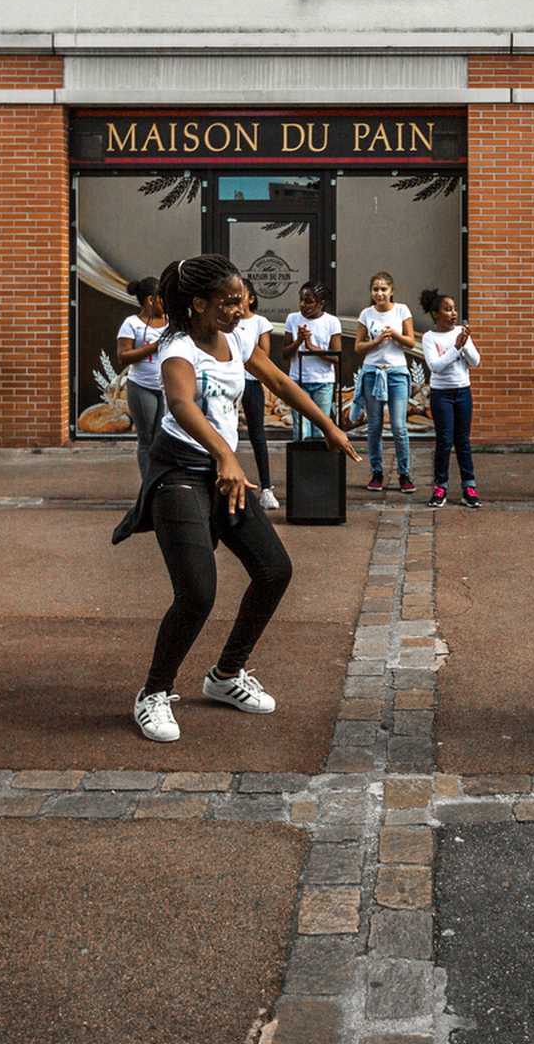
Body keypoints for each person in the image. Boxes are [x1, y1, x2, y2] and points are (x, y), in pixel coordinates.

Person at [113, 254, 359, 744]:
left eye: (241, 300)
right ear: (198, 304)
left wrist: (328, 425)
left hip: (224, 472)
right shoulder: (177, 348)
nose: (239, 309)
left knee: (274, 571)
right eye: (228, 302)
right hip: (180, 472)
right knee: (197, 593)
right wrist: (226, 455)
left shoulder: (238, 336)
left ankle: (226, 674)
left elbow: (279, 381)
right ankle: (154, 692)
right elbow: (181, 404)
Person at [354, 271, 416, 493]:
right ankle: (377, 472)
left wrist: (395, 335)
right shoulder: (366, 314)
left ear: (391, 291)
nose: (379, 293)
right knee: (374, 427)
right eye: (375, 289)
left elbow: (411, 342)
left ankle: (404, 474)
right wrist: (377, 340)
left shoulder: (401, 310)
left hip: (396, 373)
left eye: (383, 289)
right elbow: (358, 347)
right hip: (372, 372)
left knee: (399, 427)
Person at [419, 288, 481, 509]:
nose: (453, 313)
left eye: (454, 309)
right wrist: (456, 347)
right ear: (436, 314)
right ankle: (441, 486)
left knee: (463, 441)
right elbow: (435, 366)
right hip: (441, 394)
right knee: (445, 441)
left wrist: (465, 344)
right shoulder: (429, 337)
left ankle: (469, 486)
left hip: (463, 392)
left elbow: (475, 362)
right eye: (447, 309)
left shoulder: (461, 333)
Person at [115, 277, 169, 480]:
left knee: (162, 437)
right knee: (147, 439)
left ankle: (160, 482)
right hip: (142, 386)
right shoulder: (131, 324)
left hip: (167, 386)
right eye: (162, 299)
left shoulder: (171, 321)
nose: (166, 303)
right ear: (150, 300)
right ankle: (148, 485)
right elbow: (123, 356)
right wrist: (153, 347)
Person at [232, 286, 278, 510]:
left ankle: (266, 488)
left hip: (251, 381)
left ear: (251, 298)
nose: (237, 301)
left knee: (257, 433)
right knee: (225, 430)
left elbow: (263, 356)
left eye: (241, 296)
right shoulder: (227, 322)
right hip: (231, 380)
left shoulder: (260, 322)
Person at [283, 280, 343, 441]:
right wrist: (298, 341)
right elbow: (285, 354)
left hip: (323, 382)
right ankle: (301, 457)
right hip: (298, 381)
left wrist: (312, 347)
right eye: (301, 300)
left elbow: (336, 357)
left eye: (309, 301)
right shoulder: (292, 319)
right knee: (301, 430)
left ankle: (319, 458)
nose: (303, 305)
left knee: (321, 429)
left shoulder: (332, 322)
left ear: (321, 303)